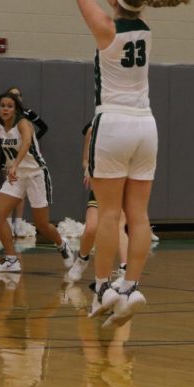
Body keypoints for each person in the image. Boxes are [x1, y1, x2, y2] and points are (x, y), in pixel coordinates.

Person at [62, 0, 189, 327]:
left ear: (116, 1)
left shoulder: (106, 29)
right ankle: (130, 286)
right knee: (139, 214)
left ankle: (101, 287)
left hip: (113, 124)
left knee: (110, 214)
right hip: (146, 127)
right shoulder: (145, 28)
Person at [0, 92, 73, 273]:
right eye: (2, 105)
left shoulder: (24, 123)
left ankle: (62, 243)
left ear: (16, 108)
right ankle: (11, 259)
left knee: (42, 225)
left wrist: (15, 164)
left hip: (35, 174)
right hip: (16, 176)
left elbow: (26, 144)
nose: (5, 109)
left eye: (9, 106)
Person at [67, 121, 129, 283]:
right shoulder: (92, 129)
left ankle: (125, 269)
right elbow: (85, 160)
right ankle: (82, 259)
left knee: (119, 226)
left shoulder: (128, 129)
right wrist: (88, 170)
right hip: (101, 182)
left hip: (122, 181)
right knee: (91, 228)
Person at [6, 86, 48, 238]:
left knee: (21, 193)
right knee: (10, 189)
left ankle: (18, 222)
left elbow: (44, 127)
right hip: (8, 155)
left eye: (17, 96)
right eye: (11, 95)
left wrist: (30, 141)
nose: (14, 98)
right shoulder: (3, 116)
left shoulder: (26, 114)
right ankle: (8, 222)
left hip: (27, 159)